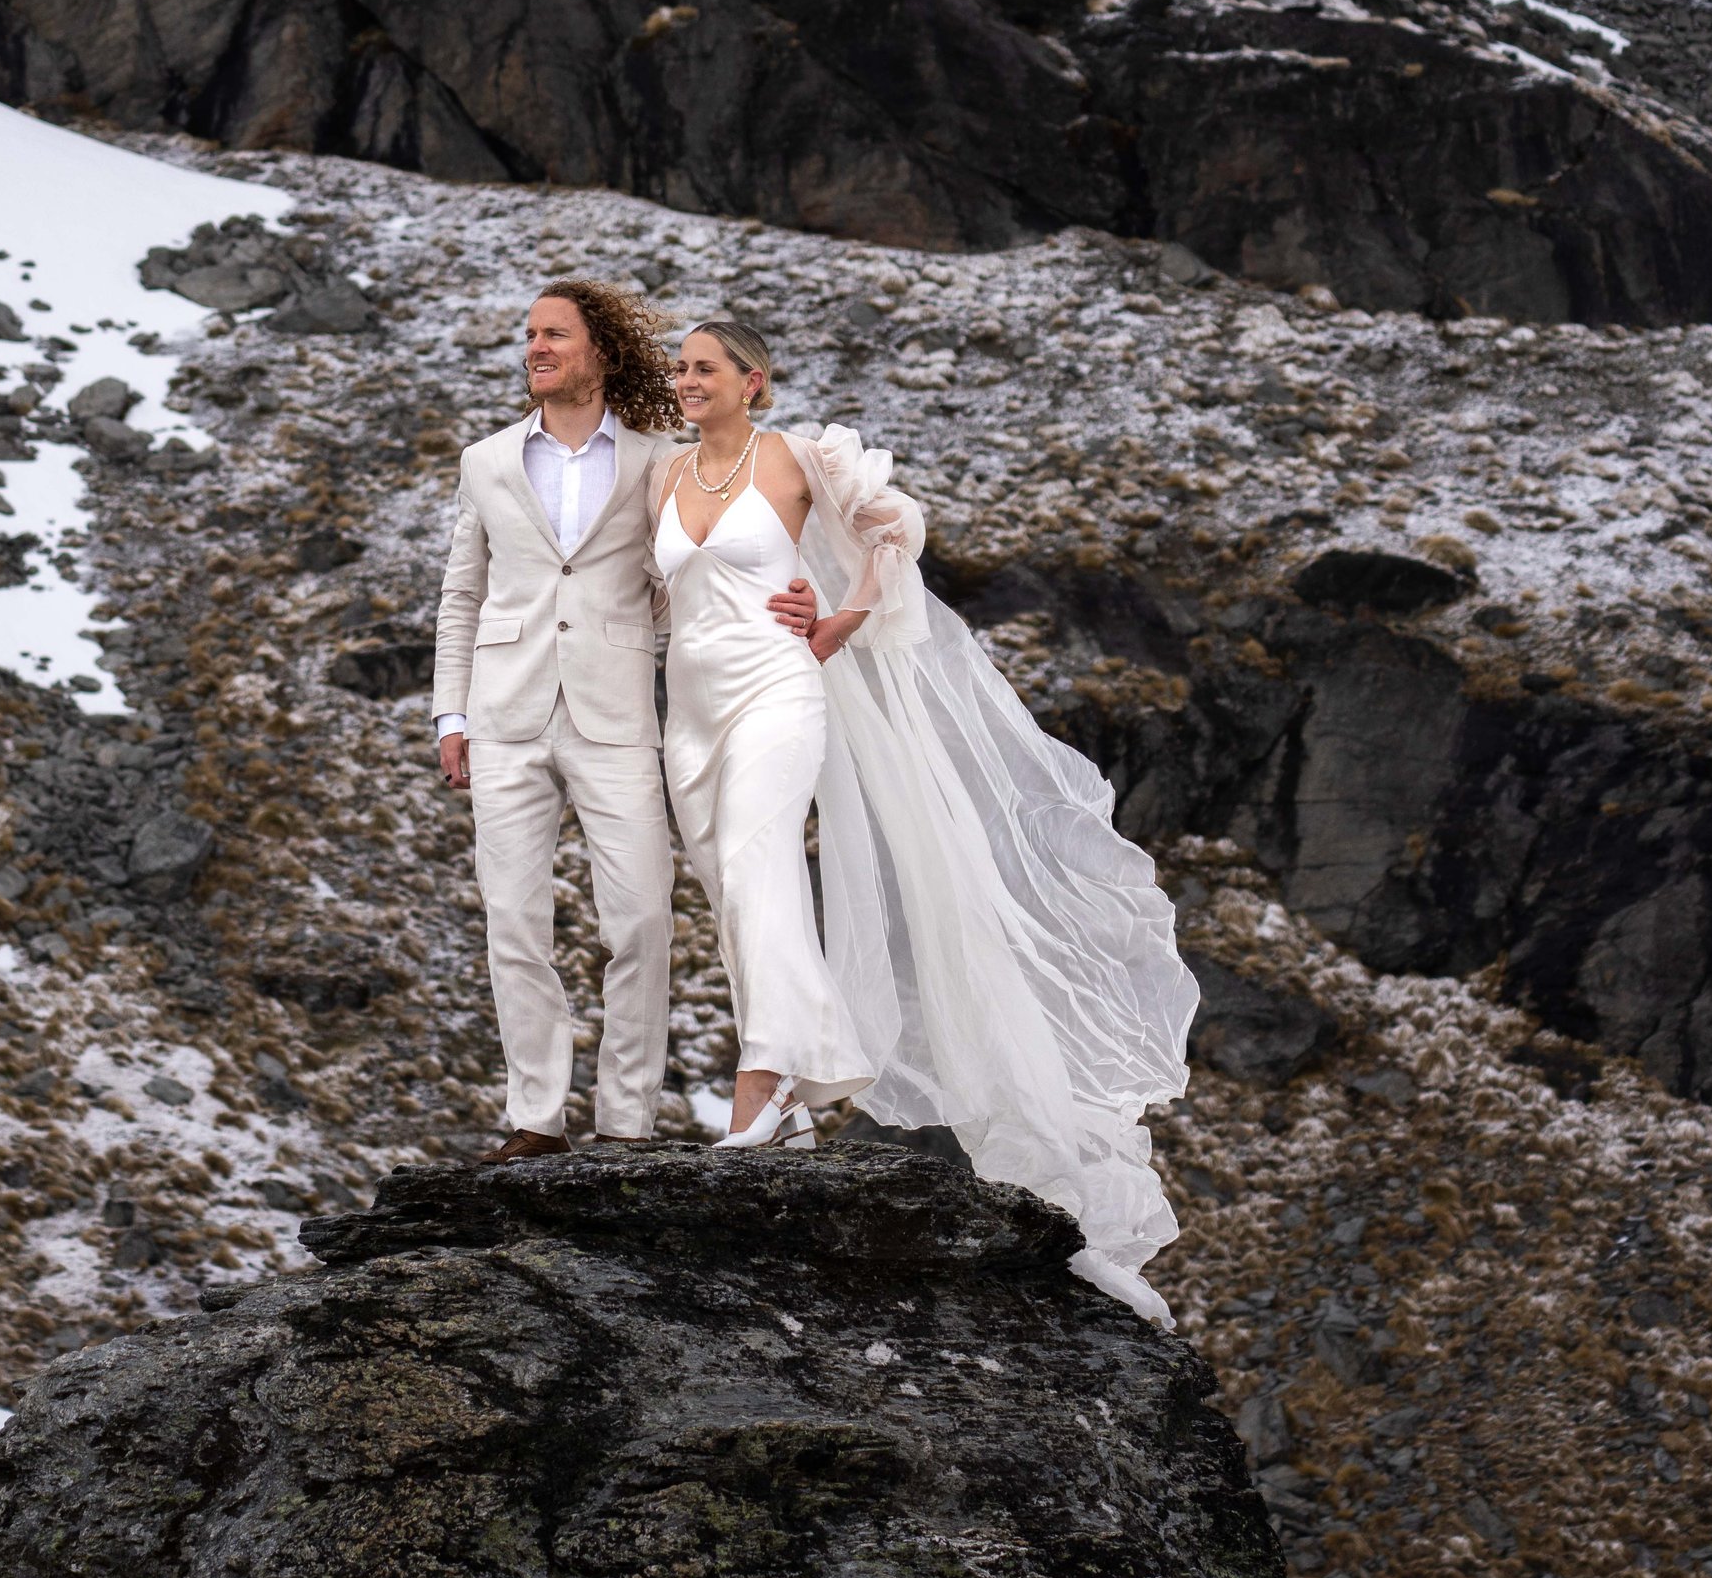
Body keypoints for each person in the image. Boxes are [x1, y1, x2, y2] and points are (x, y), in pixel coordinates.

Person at [655, 313, 1197, 1323]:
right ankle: (791, 1090)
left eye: (703, 367)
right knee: (734, 894)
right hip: (693, 714)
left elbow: (894, 530)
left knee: (762, 874)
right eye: (678, 368)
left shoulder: (797, 459)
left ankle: (766, 1091)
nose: (685, 380)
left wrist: (841, 617)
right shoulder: (666, 476)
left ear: (752, 380)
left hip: (780, 692)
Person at [433, 281, 679, 1161]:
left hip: (616, 715)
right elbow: (462, 594)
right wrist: (450, 713)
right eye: (530, 334)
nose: (536, 347)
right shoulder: (486, 460)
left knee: (643, 919)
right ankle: (537, 1119)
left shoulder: (659, 461)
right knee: (513, 921)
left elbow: (675, 583)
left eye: (555, 334)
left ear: (601, 352)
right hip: (504, 714)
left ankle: (626, 1121)